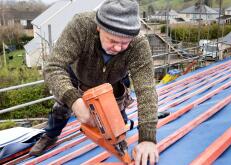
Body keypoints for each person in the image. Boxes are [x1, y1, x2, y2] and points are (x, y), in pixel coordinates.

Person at [29, 0, 159, 164]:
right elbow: (53, 66)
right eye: (112, 40)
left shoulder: (139, 44)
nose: (118, 48)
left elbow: (146, 90)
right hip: (78, 76)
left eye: (124, 43)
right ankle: (50, 135)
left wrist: (148, 138)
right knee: (60, 110)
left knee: (117, 120)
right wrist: (74, 101)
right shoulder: (81, 26)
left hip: (114, 82)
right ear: (99, 28)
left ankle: (119, 142)